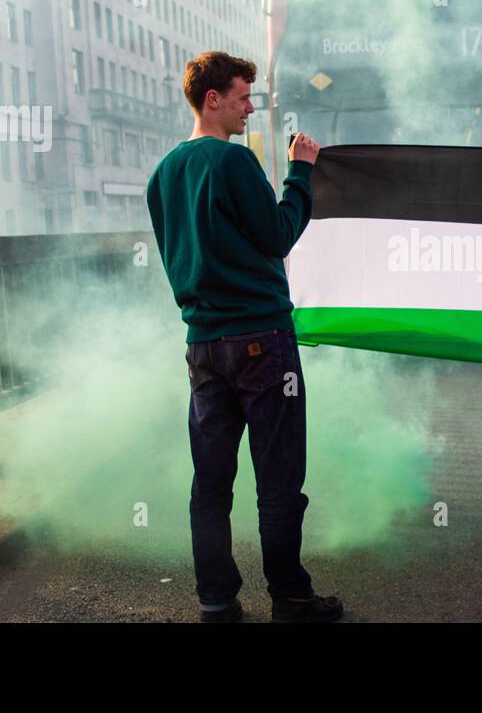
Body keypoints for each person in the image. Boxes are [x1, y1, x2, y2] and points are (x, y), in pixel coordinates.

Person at [146, 51, 343, 624]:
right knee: (278, 478)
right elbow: (278, 234)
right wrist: (300, 172)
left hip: (203, 346)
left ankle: (216, 600)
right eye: (241, 97)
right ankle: (291, 598)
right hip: (261, 339)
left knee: (210, 482)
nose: (249, 108)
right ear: (213, 99)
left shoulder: (163, 175)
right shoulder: (233, 162)